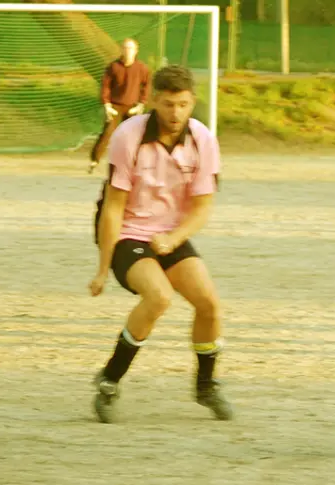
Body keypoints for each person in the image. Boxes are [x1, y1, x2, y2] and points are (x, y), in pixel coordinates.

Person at [88, 64, 232, 424]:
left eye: (183, 104)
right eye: (168, 104)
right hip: (127, 234)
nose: (176, 113)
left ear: (192, 102)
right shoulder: (128, 136)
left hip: (171, 235)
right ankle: (109, 380)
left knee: (209, 304)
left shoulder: (203, 140)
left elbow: (201, 209)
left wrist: (173, 238)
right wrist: (103, 269)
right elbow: (113, 207)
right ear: (154, 100)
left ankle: (206, 385)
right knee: (159, 297)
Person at [89, 38, 151, 174]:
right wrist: (107, 105)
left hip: (132, 107)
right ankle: (95, 160)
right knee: (107, 132)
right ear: (122, 50)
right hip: (115, 107)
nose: (128, 51)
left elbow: (147, 86)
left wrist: (141, 104)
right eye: (126, 48)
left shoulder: (142, 68)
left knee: (135, 135)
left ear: (136, 51)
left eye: (131, 48)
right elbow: (105, 86)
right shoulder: (113, 67)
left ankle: (137, 163)